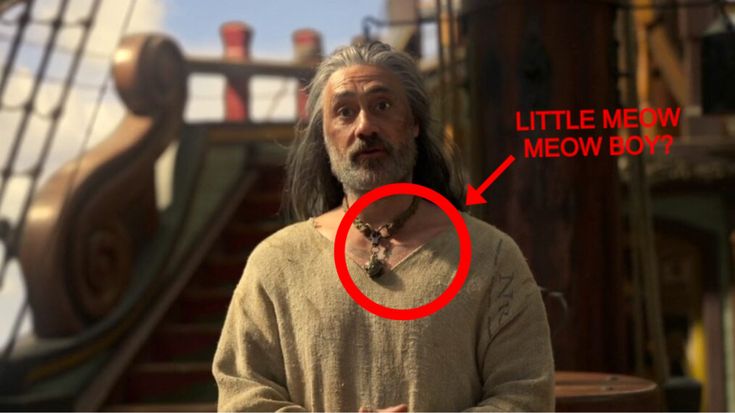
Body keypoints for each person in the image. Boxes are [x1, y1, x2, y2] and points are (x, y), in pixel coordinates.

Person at [212, 41, 554, 412]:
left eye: (383, 106)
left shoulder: (492, 257)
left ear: (415, 124)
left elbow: (526, 395)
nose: (365, 127)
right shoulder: (275, 264)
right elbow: (242, 396)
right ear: (325, 138)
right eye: (344, 112)